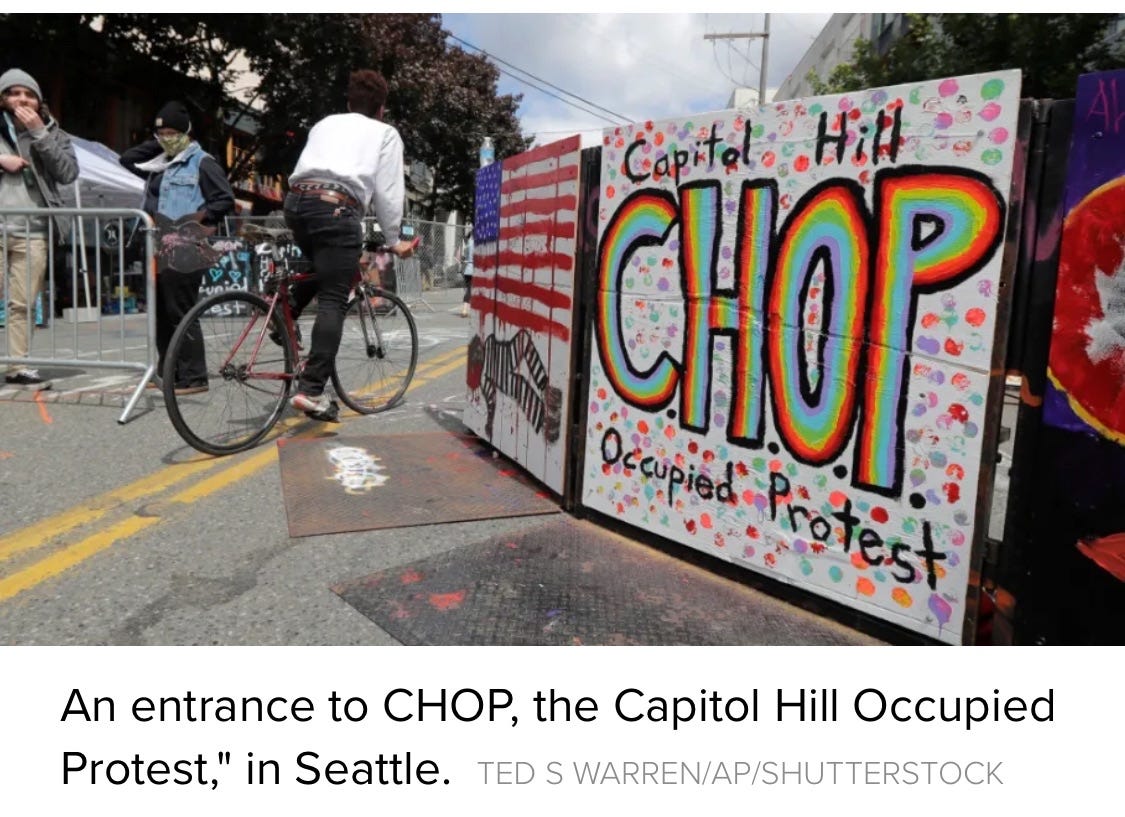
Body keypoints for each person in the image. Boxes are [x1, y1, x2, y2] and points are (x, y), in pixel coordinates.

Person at [283, 68, 415, 420]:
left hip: (296, 204)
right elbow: (388, 192)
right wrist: (393, 240)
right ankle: (312, 390)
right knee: (333, 298)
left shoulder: (325, 124)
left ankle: (285, 311)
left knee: (323, 269)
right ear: (381, 108)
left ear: (349, 102)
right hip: (336, 208)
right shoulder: (385, 133)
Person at [120, 101, 234, 395]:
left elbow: (224, 199)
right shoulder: (159, 164)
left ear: (187, 132)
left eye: (173, 133)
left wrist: (194, 222)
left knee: (180, 310)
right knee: (161, 312)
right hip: (157, 246)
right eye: (162, 133)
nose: (167, 138)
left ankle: (194, 376)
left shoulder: (202, 162)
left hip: (186, 245)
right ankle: (169, 372)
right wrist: (157, 142)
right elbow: (127, 159)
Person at [0, 68, 78, 389]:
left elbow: (68, 173)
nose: (22, 99)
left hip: (34, 232)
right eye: (14, 93)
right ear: (3, 98)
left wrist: (39, 134)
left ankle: (18, 367)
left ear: (38, 101)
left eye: (29, 94)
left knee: (23, 303)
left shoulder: (53, 132)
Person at [459, 226, 474, 318]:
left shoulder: (469, 243)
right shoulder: (480, 244)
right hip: (476, 270)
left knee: (469, 290)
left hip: (468, 269)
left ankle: (465, 309)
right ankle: (467, 310)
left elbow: (464, 257)